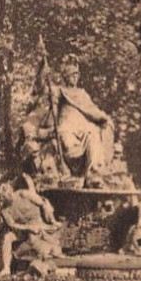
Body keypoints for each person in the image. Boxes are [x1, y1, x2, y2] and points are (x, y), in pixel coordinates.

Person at [53, 57, 114, 188]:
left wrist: (103, 117)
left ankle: (92, 172)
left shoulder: (82, 93)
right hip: (66, 124)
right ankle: (72, 174)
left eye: (76, 75)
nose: (74, 78)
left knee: (92, 133)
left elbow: (91, 109)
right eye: (71, 75)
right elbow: (51, 106)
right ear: (66, 77)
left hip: (82, 125)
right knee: (69, 144)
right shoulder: (59, 91)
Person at [0, 175, 63, 275]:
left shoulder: (23, 194)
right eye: (3, 196)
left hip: (39, 223)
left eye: (7, 192)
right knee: (7, 237)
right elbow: (13, 225)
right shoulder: (5, 210)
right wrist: (28, 227)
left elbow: (43, 203)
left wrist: (52, 220)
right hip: (23, 230)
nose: (7, 195)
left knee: (39, 239)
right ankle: (6, 268)